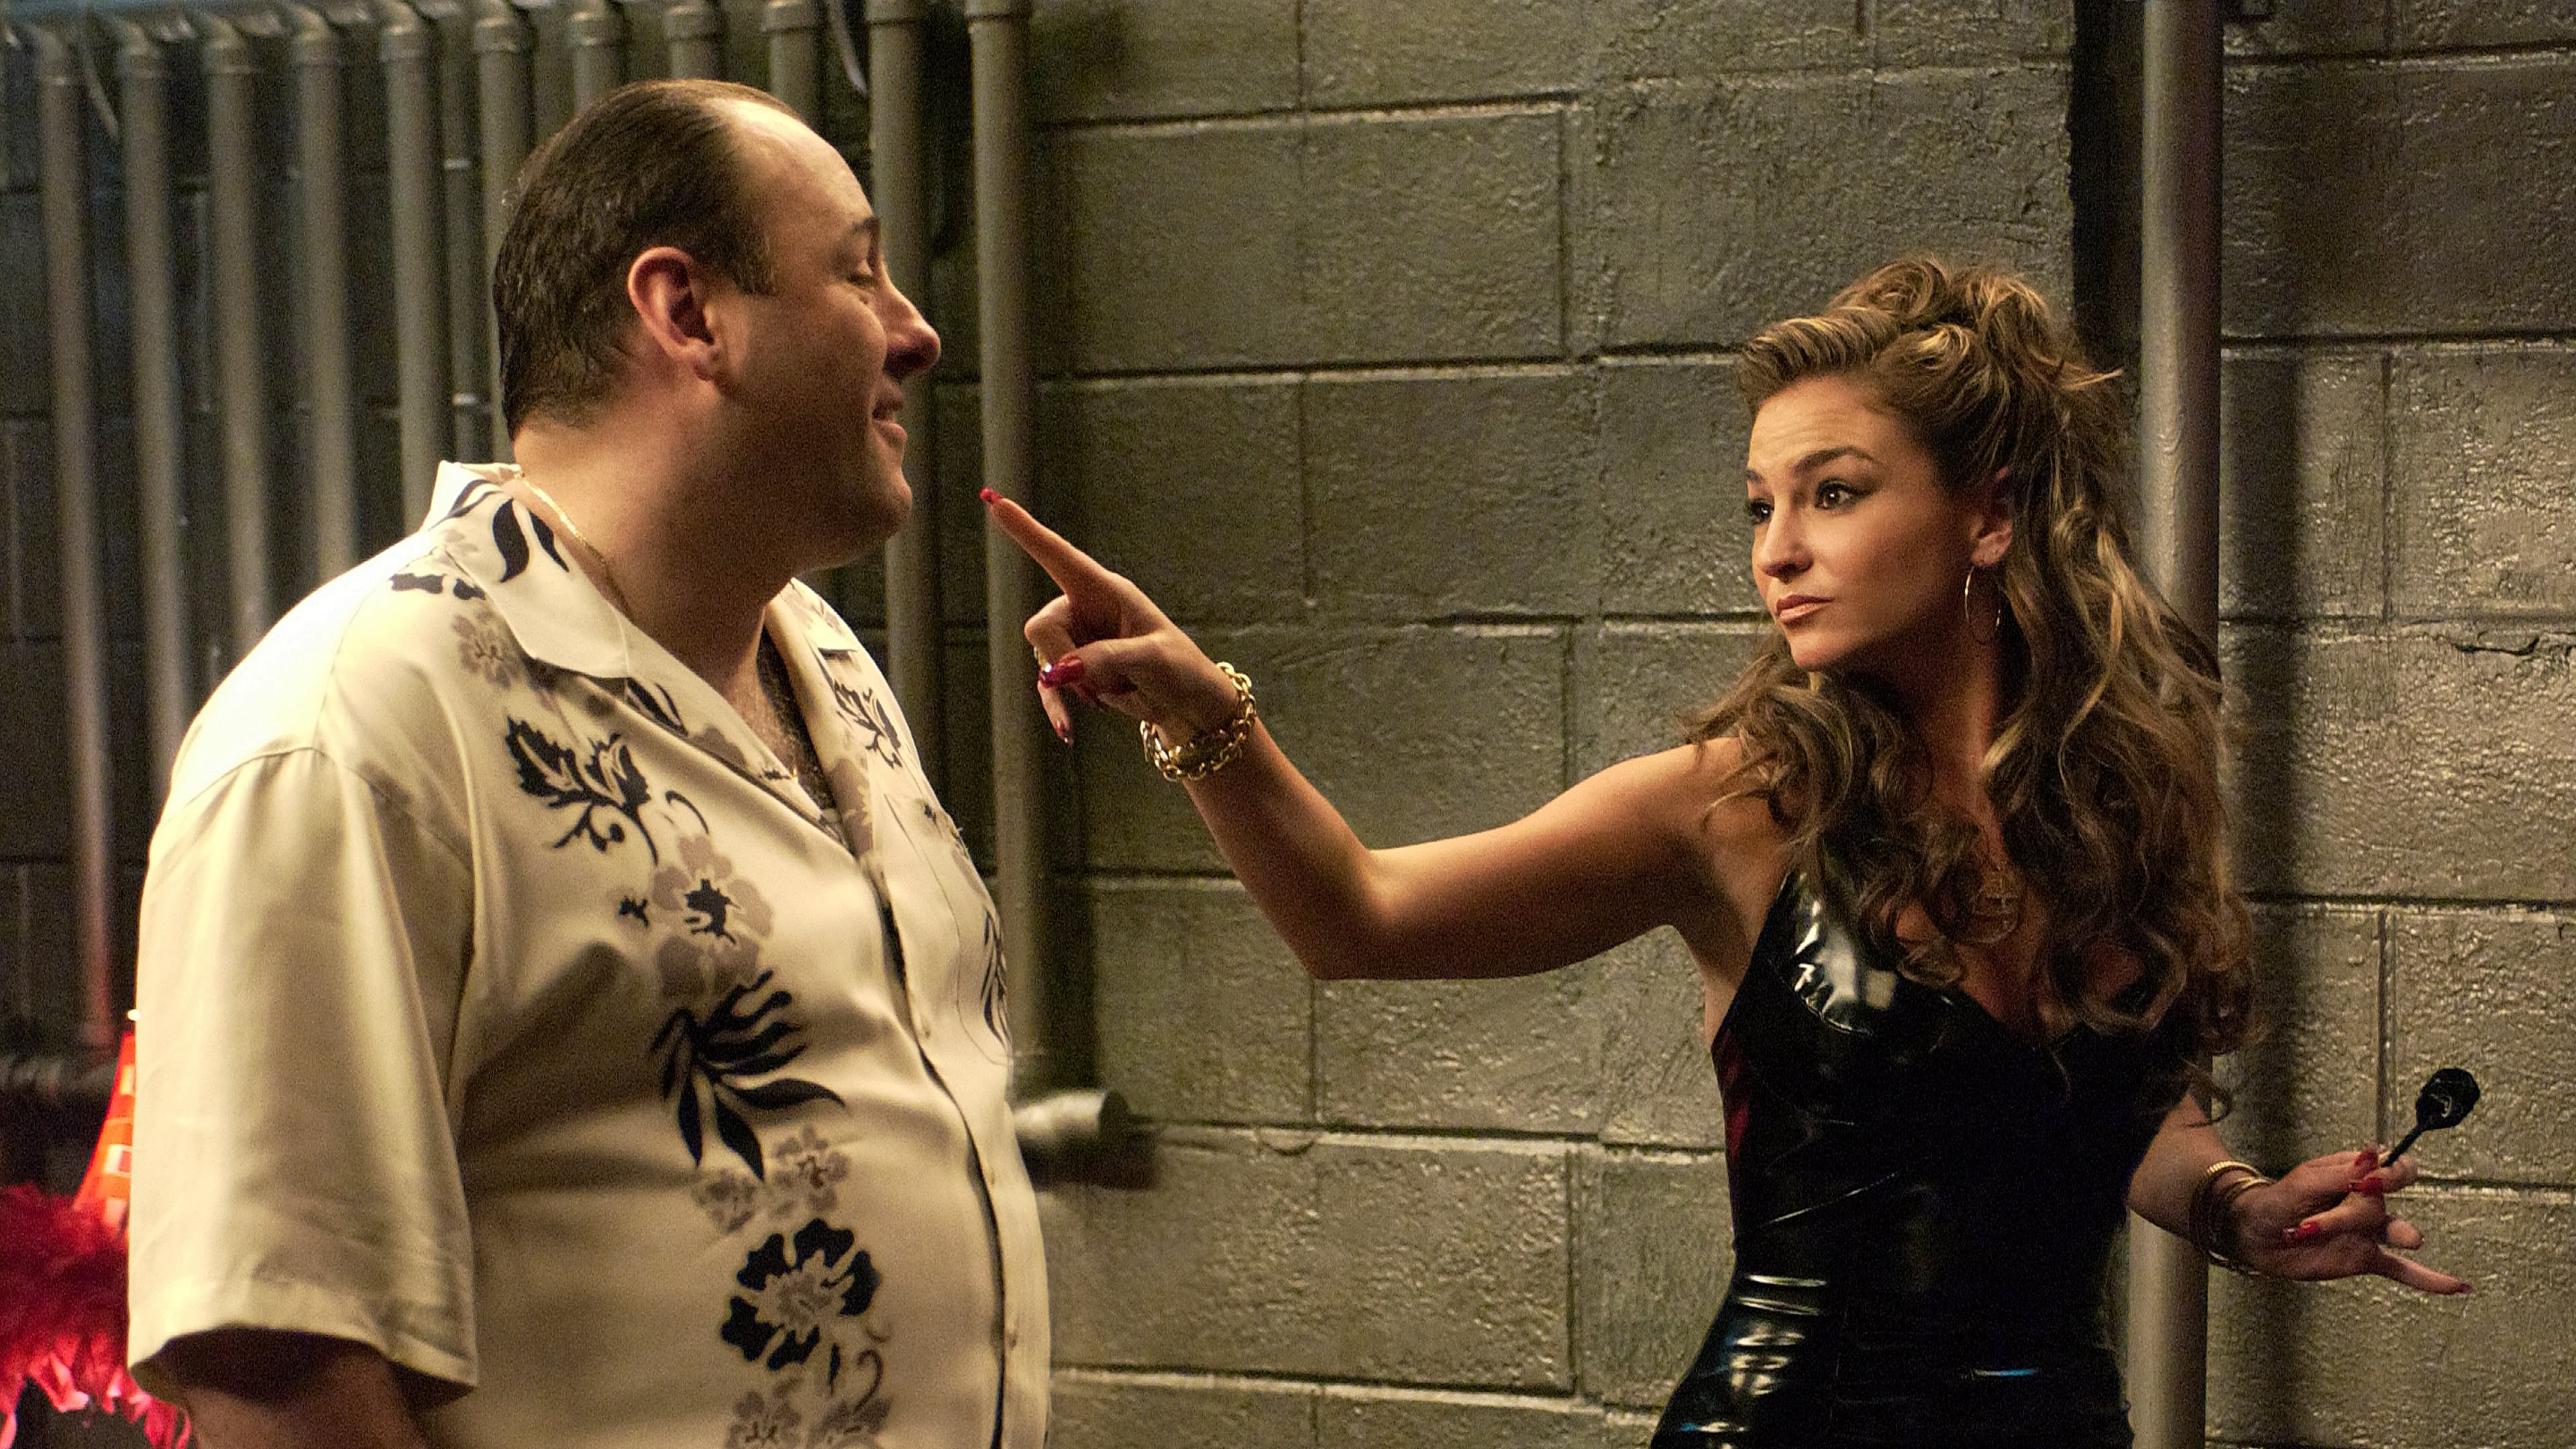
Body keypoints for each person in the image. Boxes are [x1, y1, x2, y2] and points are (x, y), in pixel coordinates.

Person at [981, 257, 2466, 1448]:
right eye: (1762, 506)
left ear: (1992, 515)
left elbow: (2122, 1118)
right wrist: (1206, 714)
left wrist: (2236, 1205)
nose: (1777, 548)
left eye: (1834, 492)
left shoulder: (2120, 802)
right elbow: (1360, 917)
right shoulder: (1739, 809)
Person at [126, 79, 1046, 1449]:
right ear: (688, 313)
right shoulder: (354, 722)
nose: (916, 331)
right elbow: (275, 1355)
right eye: (858, 273)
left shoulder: (819, 653)